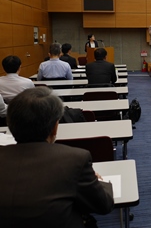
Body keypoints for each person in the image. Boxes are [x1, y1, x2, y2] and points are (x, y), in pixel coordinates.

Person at [0, 87, 114, 227]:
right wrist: (98, 181)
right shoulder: (75, 160)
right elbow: (103, 205)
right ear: (55, 127)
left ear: (9, 124)